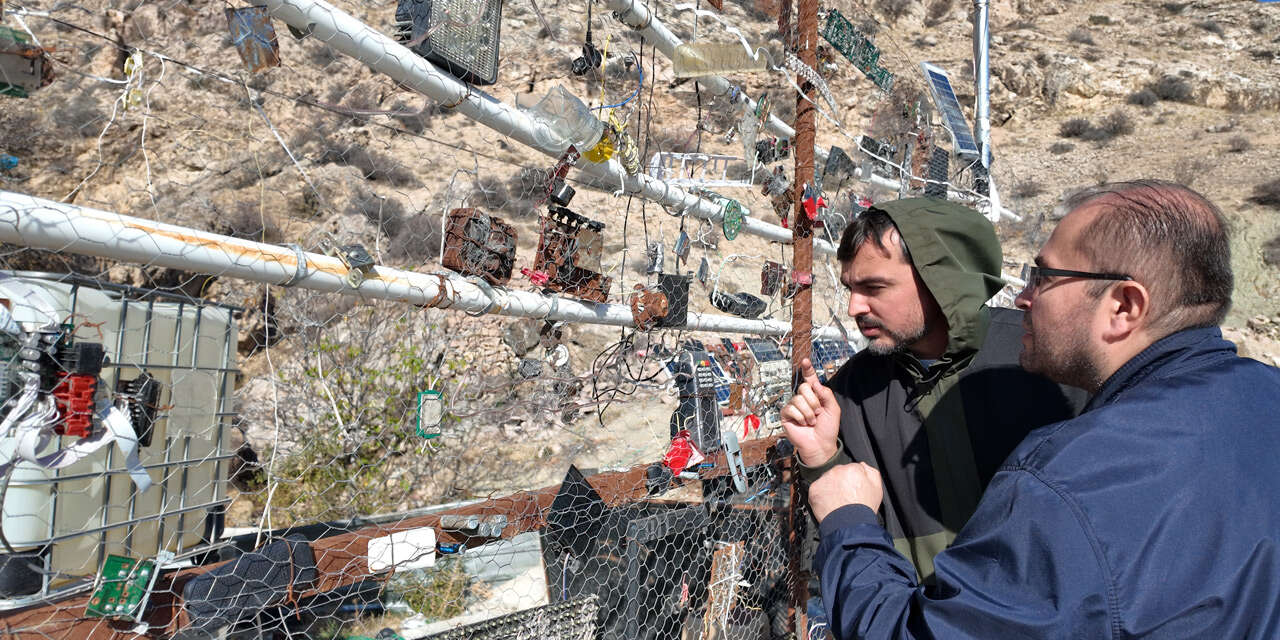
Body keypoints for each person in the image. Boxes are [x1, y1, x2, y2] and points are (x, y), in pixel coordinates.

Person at [810, 180, 1280, 638]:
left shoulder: (1067, 481)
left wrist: (848, 522)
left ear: (1124, 305)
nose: (1022, 295)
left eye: (1045, 277)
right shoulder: (1263, 397)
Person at [782, 197, 1085, 584]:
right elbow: (859, 533)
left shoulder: (1046, 360)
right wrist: (823, 456)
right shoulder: (847, 394)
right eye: (851, 288)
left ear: (941, 281)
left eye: (874, 287)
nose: (855, 306)